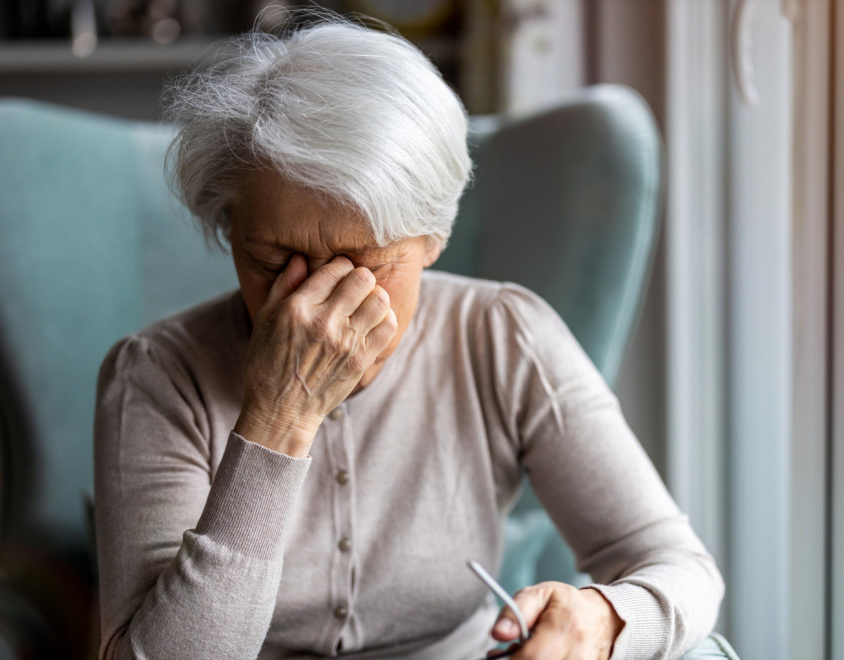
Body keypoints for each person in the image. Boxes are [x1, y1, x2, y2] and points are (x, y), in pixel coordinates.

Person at [93, 14, 724, 660]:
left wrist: (604, 619)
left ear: (433, 238)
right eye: (275, 262)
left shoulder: (502, 338)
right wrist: (279, 418)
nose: (317, 308)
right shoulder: (156, 375)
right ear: (230, 231)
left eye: (364, 263)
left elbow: (680, 569)